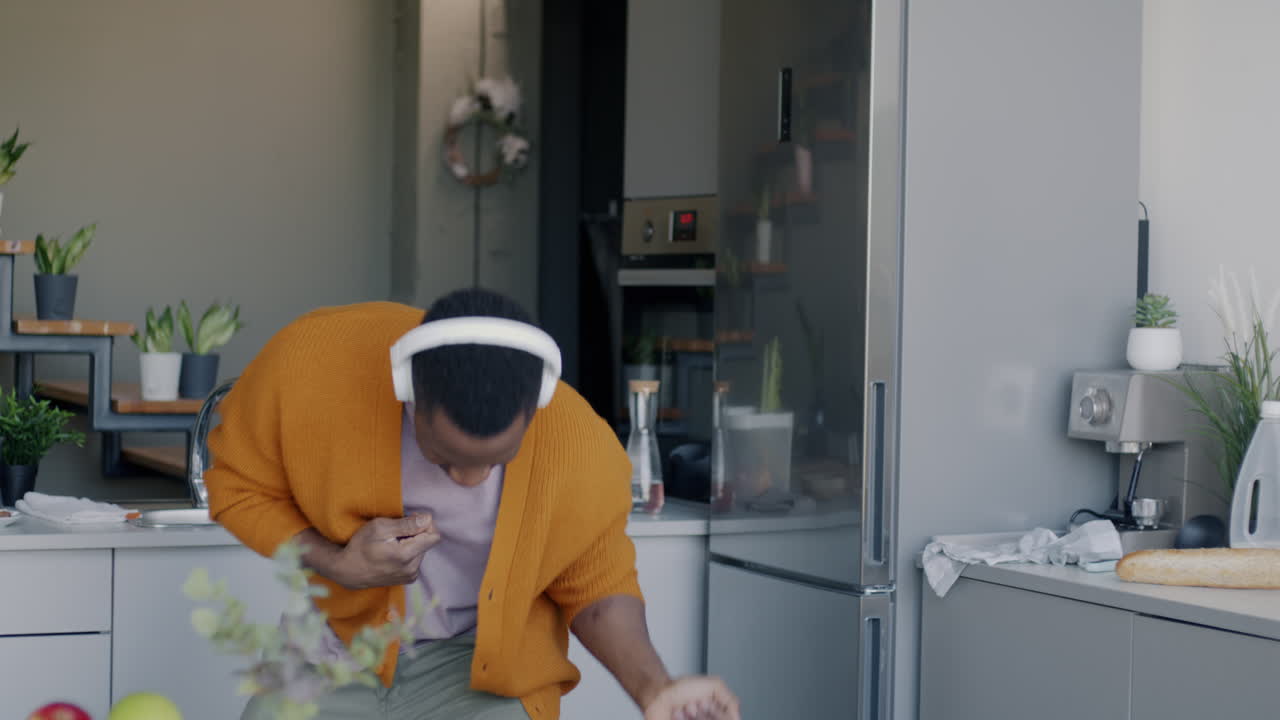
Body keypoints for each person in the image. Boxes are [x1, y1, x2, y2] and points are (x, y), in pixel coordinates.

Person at [206, 288, 740, 720]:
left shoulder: (577, 444)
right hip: (334, 647)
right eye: (444, 459)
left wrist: (655, 689)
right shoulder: (312, 366)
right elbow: (239, 487)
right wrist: (336, 562)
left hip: (481, 667)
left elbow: (596, 586)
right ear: (408, 391)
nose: (469, 480)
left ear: (537, 407)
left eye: (495, 461)